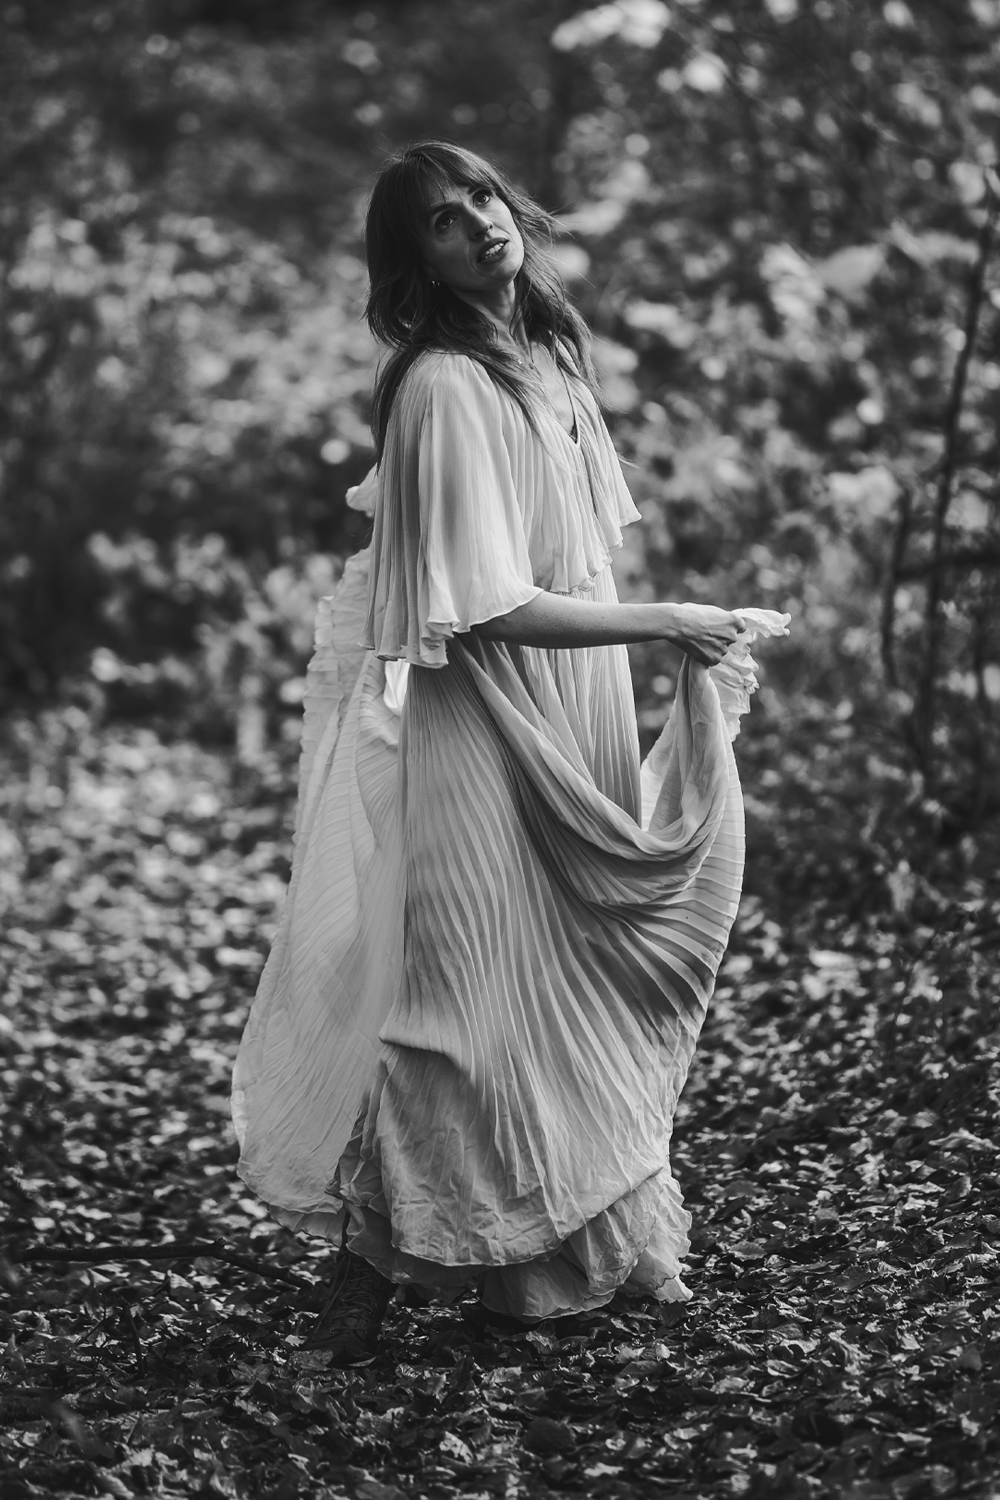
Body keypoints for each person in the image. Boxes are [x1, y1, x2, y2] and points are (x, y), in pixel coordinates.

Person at [231, 141, 788, 1365]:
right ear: (411, 263)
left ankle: (556, 1250)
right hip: (487, 709)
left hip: (576, 693)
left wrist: (653, 634)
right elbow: (477, 604)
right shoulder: (438, 386)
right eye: (440, 221)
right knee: (457, 990)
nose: (478, 224)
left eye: (481, 197)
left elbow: (577, 562)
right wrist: (669, 622)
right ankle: (368, 1270)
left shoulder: (547, 360)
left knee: (568, 964)